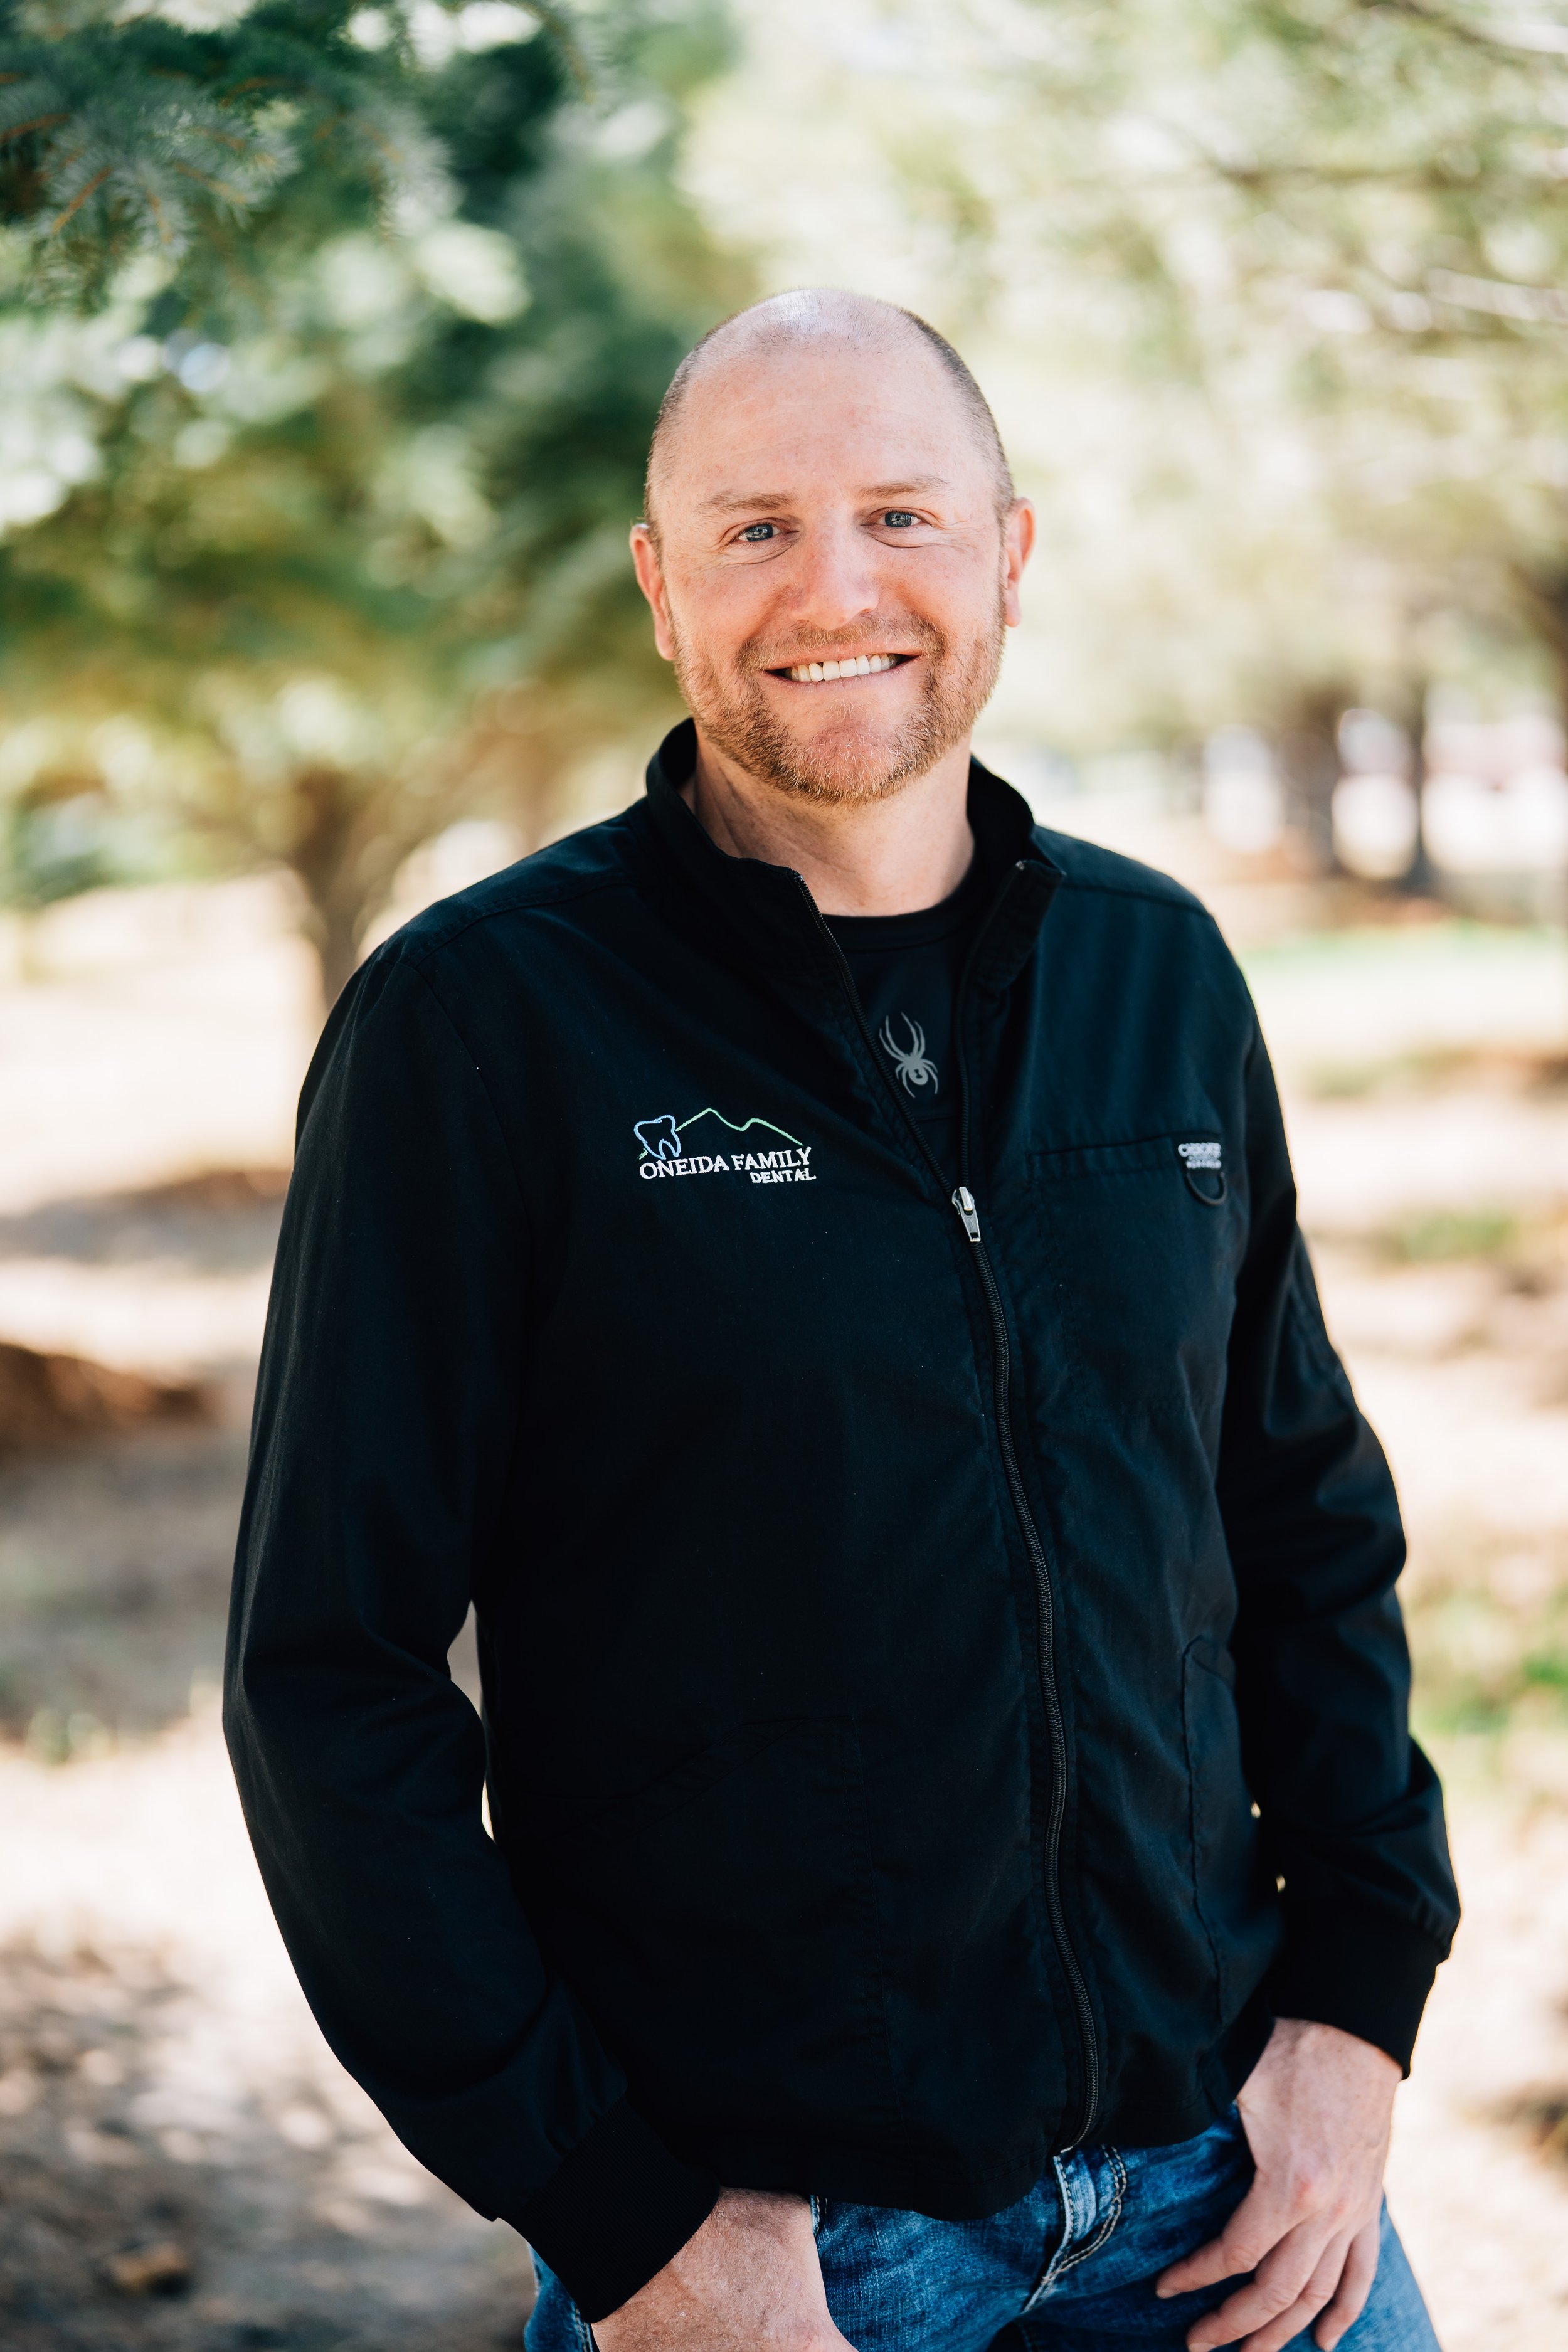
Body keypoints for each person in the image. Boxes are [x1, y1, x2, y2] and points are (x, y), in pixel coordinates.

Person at [225, 290, 1458, 2352]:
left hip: (1224, 2182)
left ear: (1007, 553)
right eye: (754, 529)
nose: (834, 589)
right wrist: (620, 2221)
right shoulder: (481, 1025)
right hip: (778, 2247)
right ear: (658, 587)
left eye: (900, 514)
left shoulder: (1157, 970)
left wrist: (1355, 2007)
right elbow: (326, 1676)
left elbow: (1300, 1520)